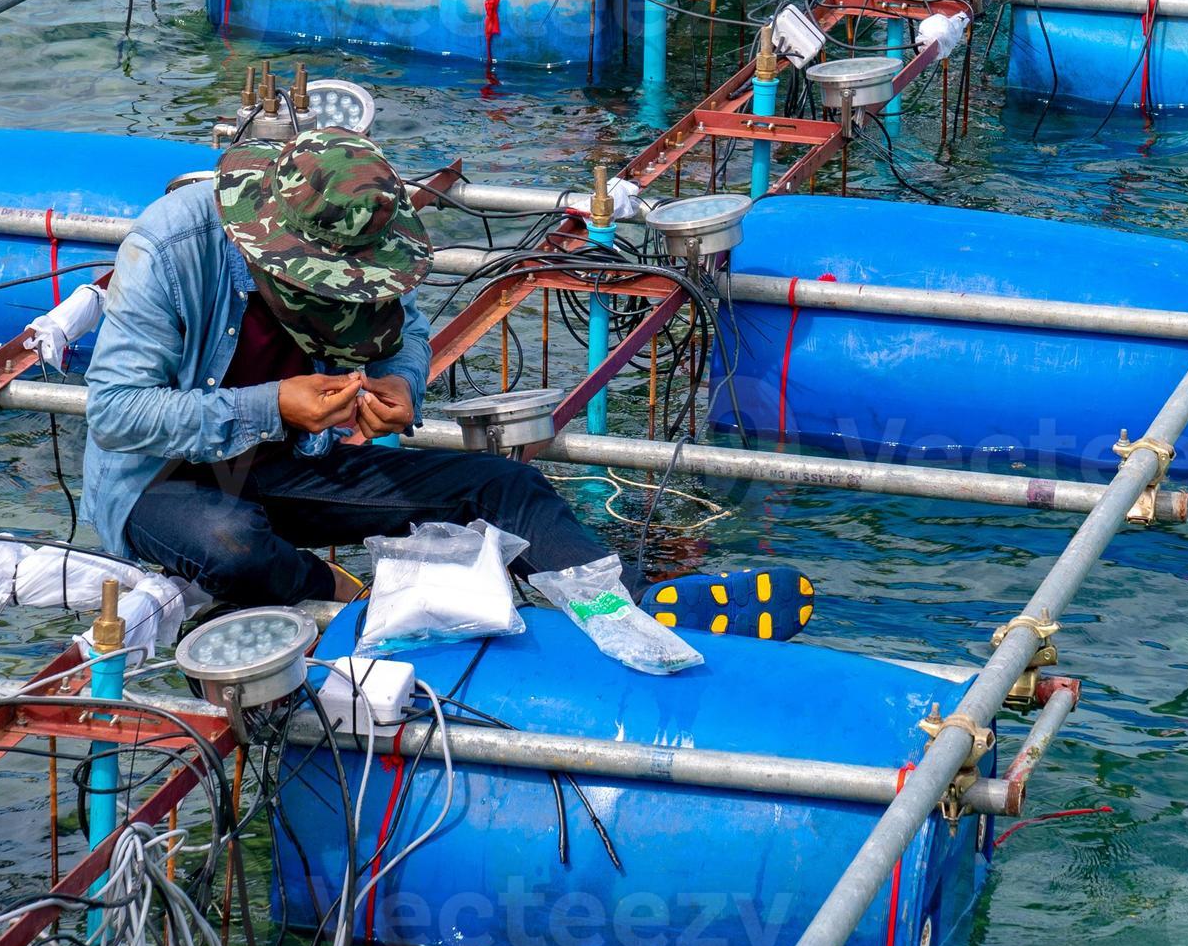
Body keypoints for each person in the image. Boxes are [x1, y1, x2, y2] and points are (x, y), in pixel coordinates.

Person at [81, 131, 815, 660]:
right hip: (161, 484)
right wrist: (272, 404)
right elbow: (115, 412)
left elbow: (407, 326)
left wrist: (401, 382)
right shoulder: (170, 248)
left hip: (286, 462)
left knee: (506, 486)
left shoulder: (360, 250)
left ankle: (624, 604)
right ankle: (337, 595)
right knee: (231, 542)